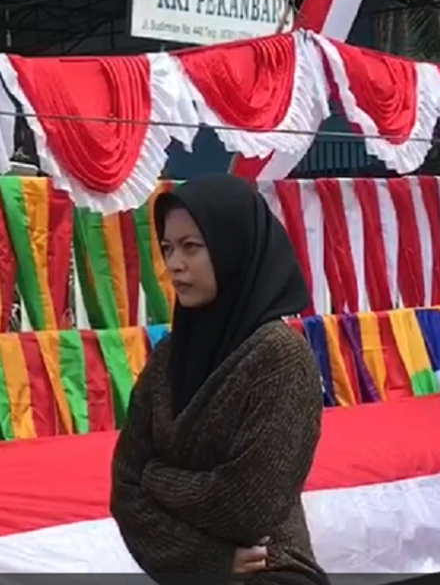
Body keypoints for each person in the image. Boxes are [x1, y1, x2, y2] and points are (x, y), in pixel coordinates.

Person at [109, 174, 328, 584]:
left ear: (234, 248)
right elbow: (124, 490)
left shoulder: (280, 357)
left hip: (270, 572)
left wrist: (156, 476)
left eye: (192, 247)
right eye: (168, 248)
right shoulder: (171, 357)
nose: (175, 264)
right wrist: (207, 559)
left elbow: (248, 504)